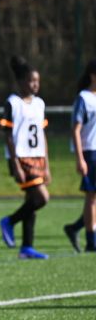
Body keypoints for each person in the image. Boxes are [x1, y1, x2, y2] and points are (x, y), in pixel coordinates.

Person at [0, 56, 51, 259]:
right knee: (42, 198)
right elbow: (8, 136)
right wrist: (16, 164)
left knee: (32, 200)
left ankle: (27, 247)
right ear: (21, 82)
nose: (35, 84)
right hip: (21, 158)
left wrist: (47, 164)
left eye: (37, 81)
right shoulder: (12, 103)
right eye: (31, 80)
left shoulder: (39, 103)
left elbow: (42, 134)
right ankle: (9, 221)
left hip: (38, 158)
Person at [63, 59, 96, 252]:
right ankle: (92, 241)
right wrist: (80, 158)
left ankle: (75, 228)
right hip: (90, 152)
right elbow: (76, 130)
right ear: (92, 75)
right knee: (92, 197)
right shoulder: (84, 98)